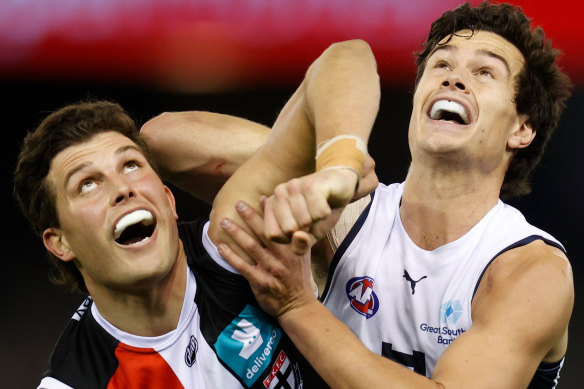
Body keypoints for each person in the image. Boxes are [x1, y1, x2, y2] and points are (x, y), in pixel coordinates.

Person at [210, 2, 575, 389]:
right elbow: (163, 140)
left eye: (484, 72)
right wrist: (322, 162)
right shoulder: (345, 213)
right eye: (441, 65)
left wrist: (296, 307)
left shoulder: (530, 269)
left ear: (522, 128)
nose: (454, 79)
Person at [13, 39, 380, 388]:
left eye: (130, 165)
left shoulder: (234, 243)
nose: (122, 189)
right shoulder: (76, 381)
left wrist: (336, 167)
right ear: (59, 242)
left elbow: (346, 57)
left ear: (169, 201)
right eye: (87, 184)